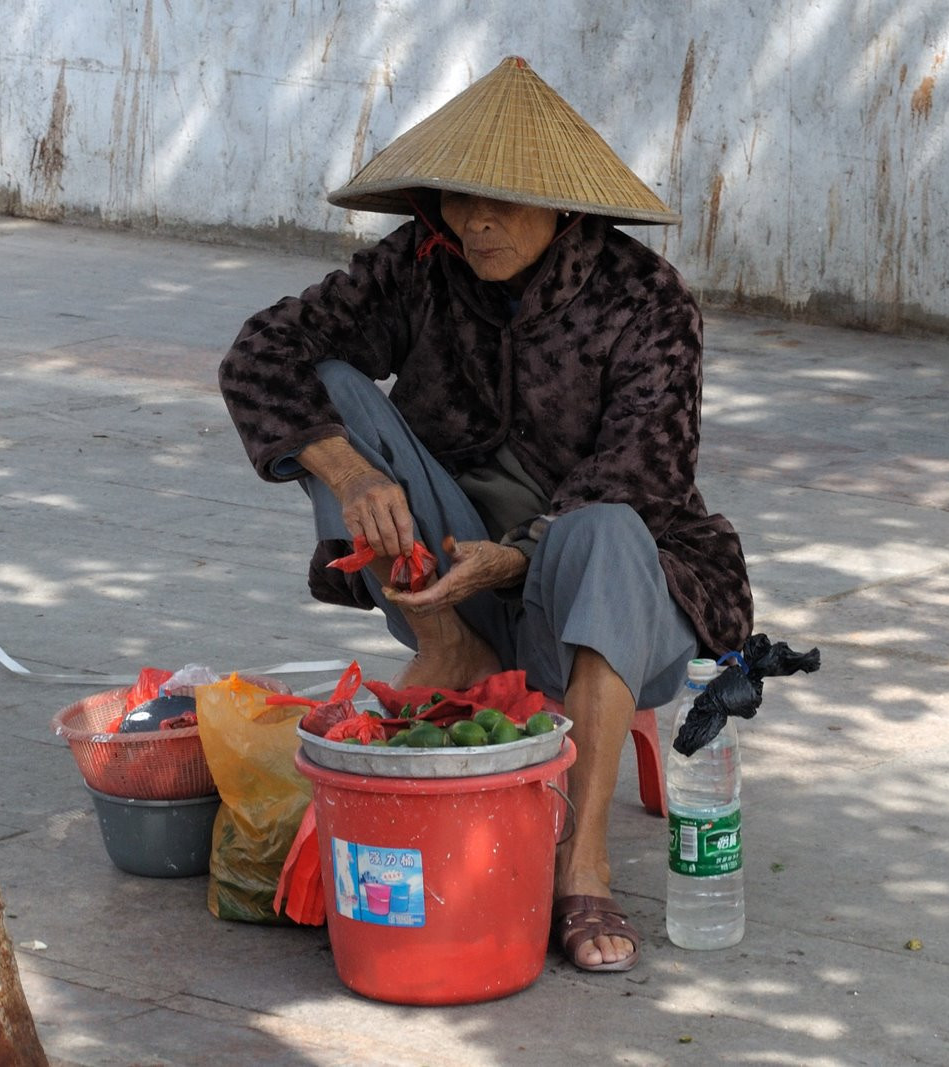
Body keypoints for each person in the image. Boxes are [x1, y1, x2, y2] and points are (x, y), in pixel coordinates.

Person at [218, 56, 752, 972]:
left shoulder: (647, 302)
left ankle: (581, 869)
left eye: (502, 203)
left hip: (610, 600)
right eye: (460, 201)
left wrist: (513, 560)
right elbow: (263, 351)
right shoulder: (424, 267)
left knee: (608, 527)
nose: (477, 222)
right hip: (444, 577)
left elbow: (642, 476)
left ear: (567, 207)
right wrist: (350, 474)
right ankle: (455, 648)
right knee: (332, 388)